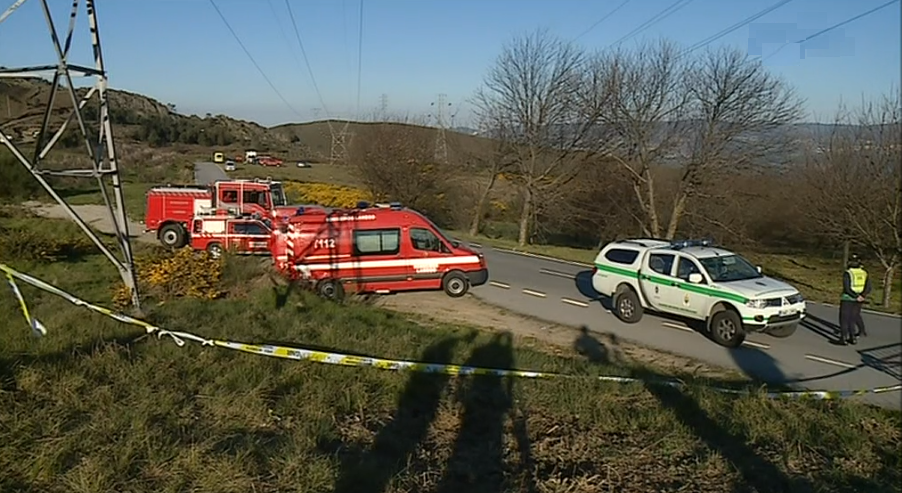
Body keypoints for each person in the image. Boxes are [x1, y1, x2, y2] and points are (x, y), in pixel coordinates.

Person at [838, 254, 871, 345]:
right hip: (859, 299)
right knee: (852, 318)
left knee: (844, 318)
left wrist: (855, 296)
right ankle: (853, 338)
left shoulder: (848, 273)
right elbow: (868, 287)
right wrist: (862, 296)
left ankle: (844, 338)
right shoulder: (864, 273)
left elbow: (847, 288)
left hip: (847, 298)